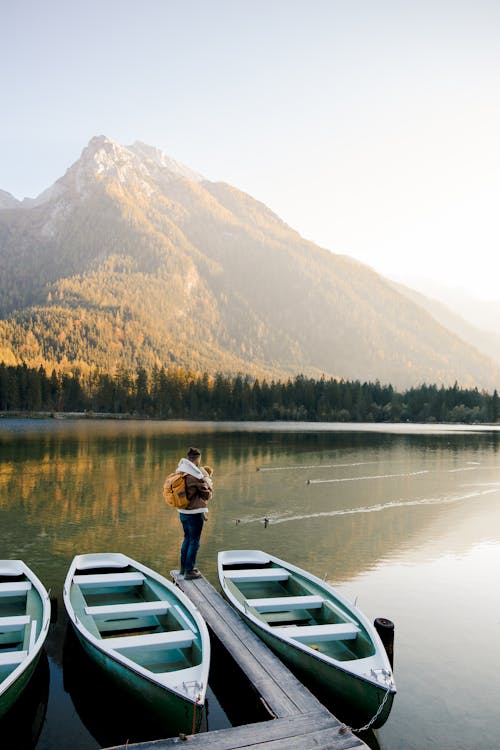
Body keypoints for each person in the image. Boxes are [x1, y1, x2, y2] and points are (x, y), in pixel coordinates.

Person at [176, 447, 213, 579]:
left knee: (187, 538)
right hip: (195, 513)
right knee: (194, 541)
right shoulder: (196, 475)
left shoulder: (181, 471)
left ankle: (183, 569)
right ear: (197, 459)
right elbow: (207, 494)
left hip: (182, 511)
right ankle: (190, 570)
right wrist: (208, 483)